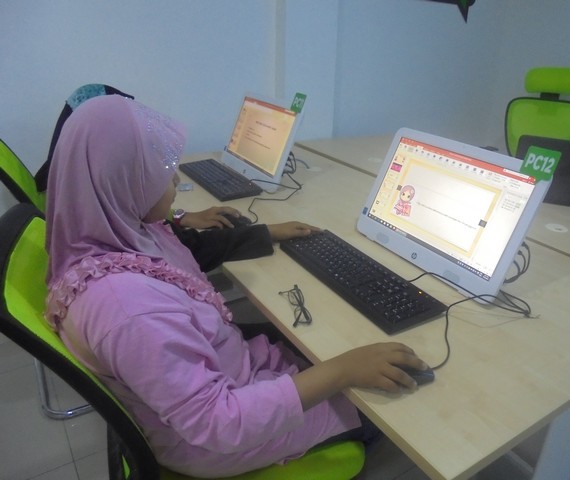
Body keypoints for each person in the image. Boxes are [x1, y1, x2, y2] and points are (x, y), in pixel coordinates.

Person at [44, 95, 429, 478]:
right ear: (122, 182)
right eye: (161, 174)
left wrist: (231, 226)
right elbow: (219, 423)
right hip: (219, 438)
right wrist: (343, 372)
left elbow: (178, 236)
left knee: (328, 344)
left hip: (221, 373)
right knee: (384, 407)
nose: (176, 179)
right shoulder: (129, 309)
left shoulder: (108, 234)